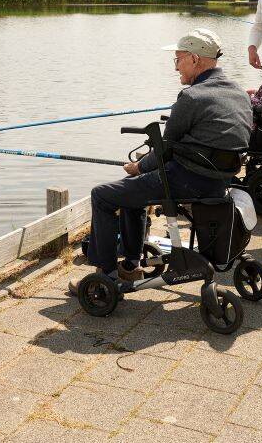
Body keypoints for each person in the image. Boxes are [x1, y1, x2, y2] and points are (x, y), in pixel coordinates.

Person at [69, 29, 251, 294]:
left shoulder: (191, 97)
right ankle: (131, 266)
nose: (176, 67)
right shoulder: (239, 93)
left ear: (194, 59)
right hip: (217, 182)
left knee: (102, 195)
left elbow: (164, 149)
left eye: (178, 60)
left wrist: (138, 166)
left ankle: (105, 277)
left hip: (187, 181)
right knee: (133, 194)